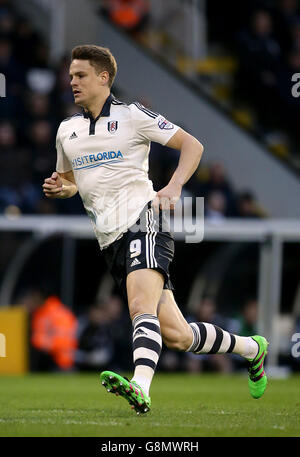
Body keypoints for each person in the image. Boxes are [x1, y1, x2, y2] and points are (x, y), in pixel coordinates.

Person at [43, 44, 269, 415]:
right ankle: (251, 349)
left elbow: (192, 145)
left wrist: (175, 185)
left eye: (80, 75)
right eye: (70, 76)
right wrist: (60, 187)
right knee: (178, 335)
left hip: (143, 220)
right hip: (110, 239)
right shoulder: (67, 130)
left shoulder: (133, 116)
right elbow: (71, 182)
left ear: (104, 77)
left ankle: (140, 385)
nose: (72, 82)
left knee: (138, 307)